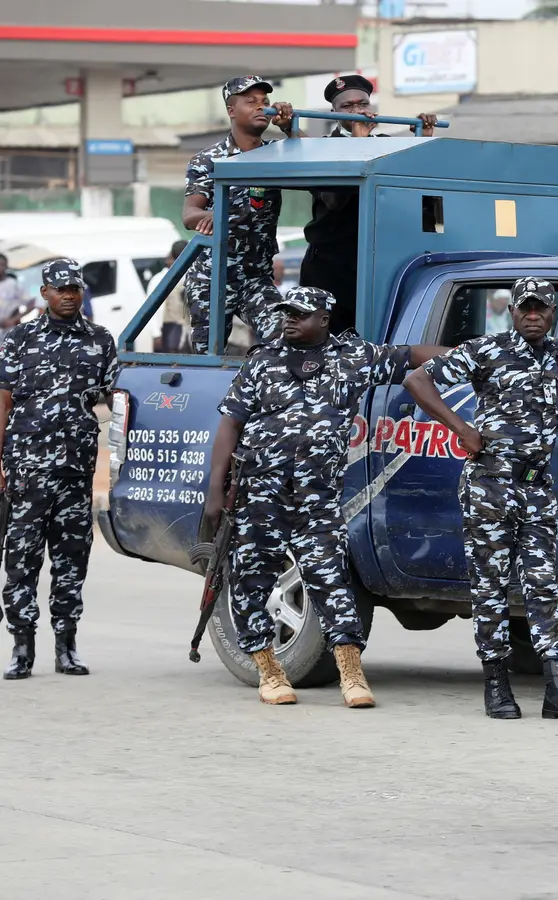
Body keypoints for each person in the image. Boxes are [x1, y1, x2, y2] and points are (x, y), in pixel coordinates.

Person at [404, 276, 558, 721]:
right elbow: (417, 380)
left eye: (541, 308)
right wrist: (460, 428)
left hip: (538, 487)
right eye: (525, 308)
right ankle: (497, 688)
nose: (533, 315)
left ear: (552, 311)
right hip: (490, 484)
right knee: (491, 586)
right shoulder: (487, 350)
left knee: (543, 586)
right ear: (513, 311)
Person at [205, 286, 444, 707]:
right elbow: (231, 422)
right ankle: (270, 672)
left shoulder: (354, 358)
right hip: (262, 493)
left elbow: (413, 356)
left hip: (317, 498)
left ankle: (351, 675)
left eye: (300, 314)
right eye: (286, 313)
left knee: (332, 581)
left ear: (324, 318)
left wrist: (482, 355)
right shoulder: (262, 360)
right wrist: (215, 487)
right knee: (249, 581)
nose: (289, 320)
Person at [0, 259, 117, 679]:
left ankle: (66, 646)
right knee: (22, 561)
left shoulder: (100, 340)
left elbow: (112, 399)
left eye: (75, 288)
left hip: (75, 471)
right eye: (60, 288)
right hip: (27, 469)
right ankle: (21, 648)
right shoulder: (20, 338)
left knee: (71, 560)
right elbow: (4, 401)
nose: (69, 295)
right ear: (45, 293)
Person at [301, 74, 437, 336]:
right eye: (348, 106)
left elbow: (417, 192)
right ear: (334, 113)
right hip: (332, 264)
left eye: (362, 104)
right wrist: (358, 145)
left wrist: (422, 141)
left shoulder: (388, 145)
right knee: (328, 338)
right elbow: (335, 201)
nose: (358, 111)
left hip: (380, 260)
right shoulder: (321, 148)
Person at [182, 76, 297, 354]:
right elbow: (189, 214)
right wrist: (209, 215)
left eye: (265, 102)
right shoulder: (209, 158)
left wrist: (291, 130)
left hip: (256, 275)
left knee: (286, 339)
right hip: (212, 277)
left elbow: (323, 161)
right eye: (251, 102)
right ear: (232, 110)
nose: (262, 107)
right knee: (209, 354)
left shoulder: (277, 154)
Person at [147, 240, 191, 353]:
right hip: (170, 329)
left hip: (187, 330)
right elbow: (151, 308)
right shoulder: (160, 279)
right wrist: (156, 334)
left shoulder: (190, 276)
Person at [0, 253, 28, 341]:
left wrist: (14, 319)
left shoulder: (12, 284)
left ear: (6, 266)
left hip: (9, 332)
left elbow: (31, 303)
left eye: (1, 265)